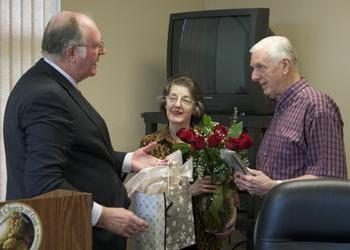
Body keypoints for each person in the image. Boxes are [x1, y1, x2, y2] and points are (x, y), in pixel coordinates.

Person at [3, 11, 167, 250]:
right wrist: (103, 216)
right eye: (97, 45)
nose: (103, 51)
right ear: (71, 53)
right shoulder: (46, 95)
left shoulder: (49, 84)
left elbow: (78, 151)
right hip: (69, 233)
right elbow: (44, 183)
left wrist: (129, 160)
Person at [234, 36, 347, 196]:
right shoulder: (282, 105)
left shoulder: (315, 105)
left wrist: (273, 186)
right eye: (254, 68)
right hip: (281, 215)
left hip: (304, 218)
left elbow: (330, 178)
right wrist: (254, 181)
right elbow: (282, 171)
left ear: (285, 66)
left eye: (260, 67)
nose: (254, 76)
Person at [140, 75, 237, 250]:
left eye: (185, 100)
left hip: (204, 238)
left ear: (195, 108)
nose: (177, 104)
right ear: (165, 103)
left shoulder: (210, 141)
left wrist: (232, 212)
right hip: (165, 238)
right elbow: (148, 197)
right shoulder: (150, 145)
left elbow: (228, 184)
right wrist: (188, 191)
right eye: (172, 98)